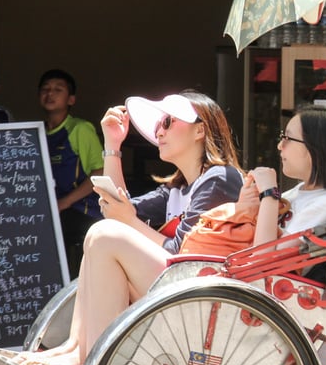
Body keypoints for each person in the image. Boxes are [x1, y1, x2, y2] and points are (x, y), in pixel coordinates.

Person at [14, 106, 326, 365]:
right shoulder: (299, 194)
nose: (279, 144)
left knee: (106, 236)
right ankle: (78, 350)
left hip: (239, 301)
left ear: (315, 148)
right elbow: (119, 207)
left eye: (288, 138)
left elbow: (262, 263)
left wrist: (269, 196)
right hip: (219, 284)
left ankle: (90, 358)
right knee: (103, 235)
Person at [96, 90, 245, 254]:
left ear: (199, 130)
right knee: (104, 234)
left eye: (167, 122)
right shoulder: (175, 191)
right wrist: (112, 145)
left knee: (104, 238)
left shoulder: (220, 178)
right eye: (157, 126)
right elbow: (116, 211)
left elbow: (183, 251)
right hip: (183, 276)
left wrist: (130, 220)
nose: (159, 132)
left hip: (212, 277)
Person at [38, 68, 104, 277]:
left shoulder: (80, 129)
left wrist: (63, 203)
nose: (50, 93)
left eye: (58, 89)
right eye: (45, 89)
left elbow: (99, 172)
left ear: (71, 99)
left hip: (82, 209)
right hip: (52, 209)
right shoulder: (36, 131)